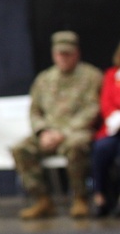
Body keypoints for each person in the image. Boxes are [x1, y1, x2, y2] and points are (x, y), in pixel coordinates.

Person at [12, 31, 102, 219]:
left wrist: (63, 133)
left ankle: (80, 198)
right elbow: (34, 111)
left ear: (77, 53)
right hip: (48, 133)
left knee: (76, 146)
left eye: (68, 53)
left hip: (76, 132)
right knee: (20, 148)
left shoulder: (91, 76)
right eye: (60, 54)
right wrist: (43, 131)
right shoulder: (44, 79)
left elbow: (93, 110)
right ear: (54, 54)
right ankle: (42, 200)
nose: (64, 58)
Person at [92, 42, 120, 217]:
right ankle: (99, 197)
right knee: (102, 149)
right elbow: (106, 103)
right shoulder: (111, 75)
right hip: (114, 128)